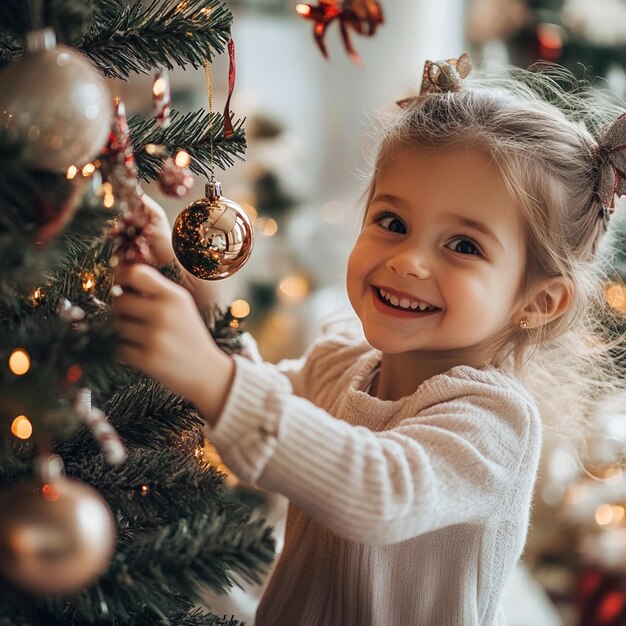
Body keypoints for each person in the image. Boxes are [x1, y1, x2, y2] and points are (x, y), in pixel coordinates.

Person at [112, 54, 626, 625]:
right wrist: (187, 291)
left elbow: (376, 491)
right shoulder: (343, 363)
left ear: (537, 302)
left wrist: (211, 375)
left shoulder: (495, 420)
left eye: (463, 246)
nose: (407, 261)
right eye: (393, 223)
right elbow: (257, 421)